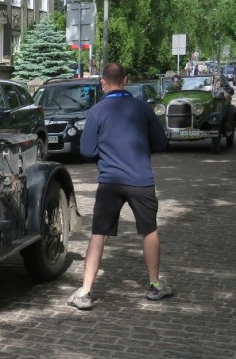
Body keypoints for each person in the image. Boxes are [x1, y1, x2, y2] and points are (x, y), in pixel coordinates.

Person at [67, 62, 172, 311]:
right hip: (141, 180)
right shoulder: (142, 108)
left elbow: (85, 150)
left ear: (103, 82)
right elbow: (161, 143)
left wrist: (104, 154)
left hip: (110, 182)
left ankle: (85, 291)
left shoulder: (96, 111)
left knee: (98, 234)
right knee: (149, 230)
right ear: (126, 80)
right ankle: (155, 285)